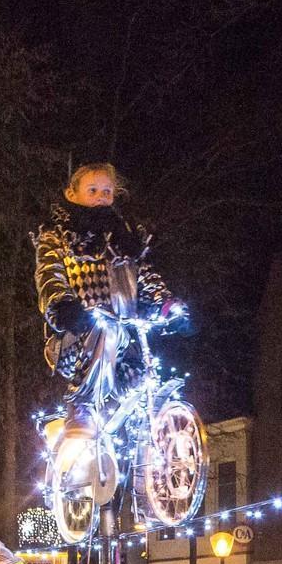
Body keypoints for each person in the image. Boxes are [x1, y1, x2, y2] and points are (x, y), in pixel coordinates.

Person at [33, 161, 183, 404]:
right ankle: (82, 409)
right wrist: (62, 306)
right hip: (77, 339)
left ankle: (145, 425)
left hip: (122, 340)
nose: (100, 197)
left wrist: (165, 304)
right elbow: (51, 274)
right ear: (73, 194)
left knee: (143, 378)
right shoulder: (57, 235)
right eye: (92, 191)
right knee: (106, 331)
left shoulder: (124, 239)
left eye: (106, 191)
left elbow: (145, 276)